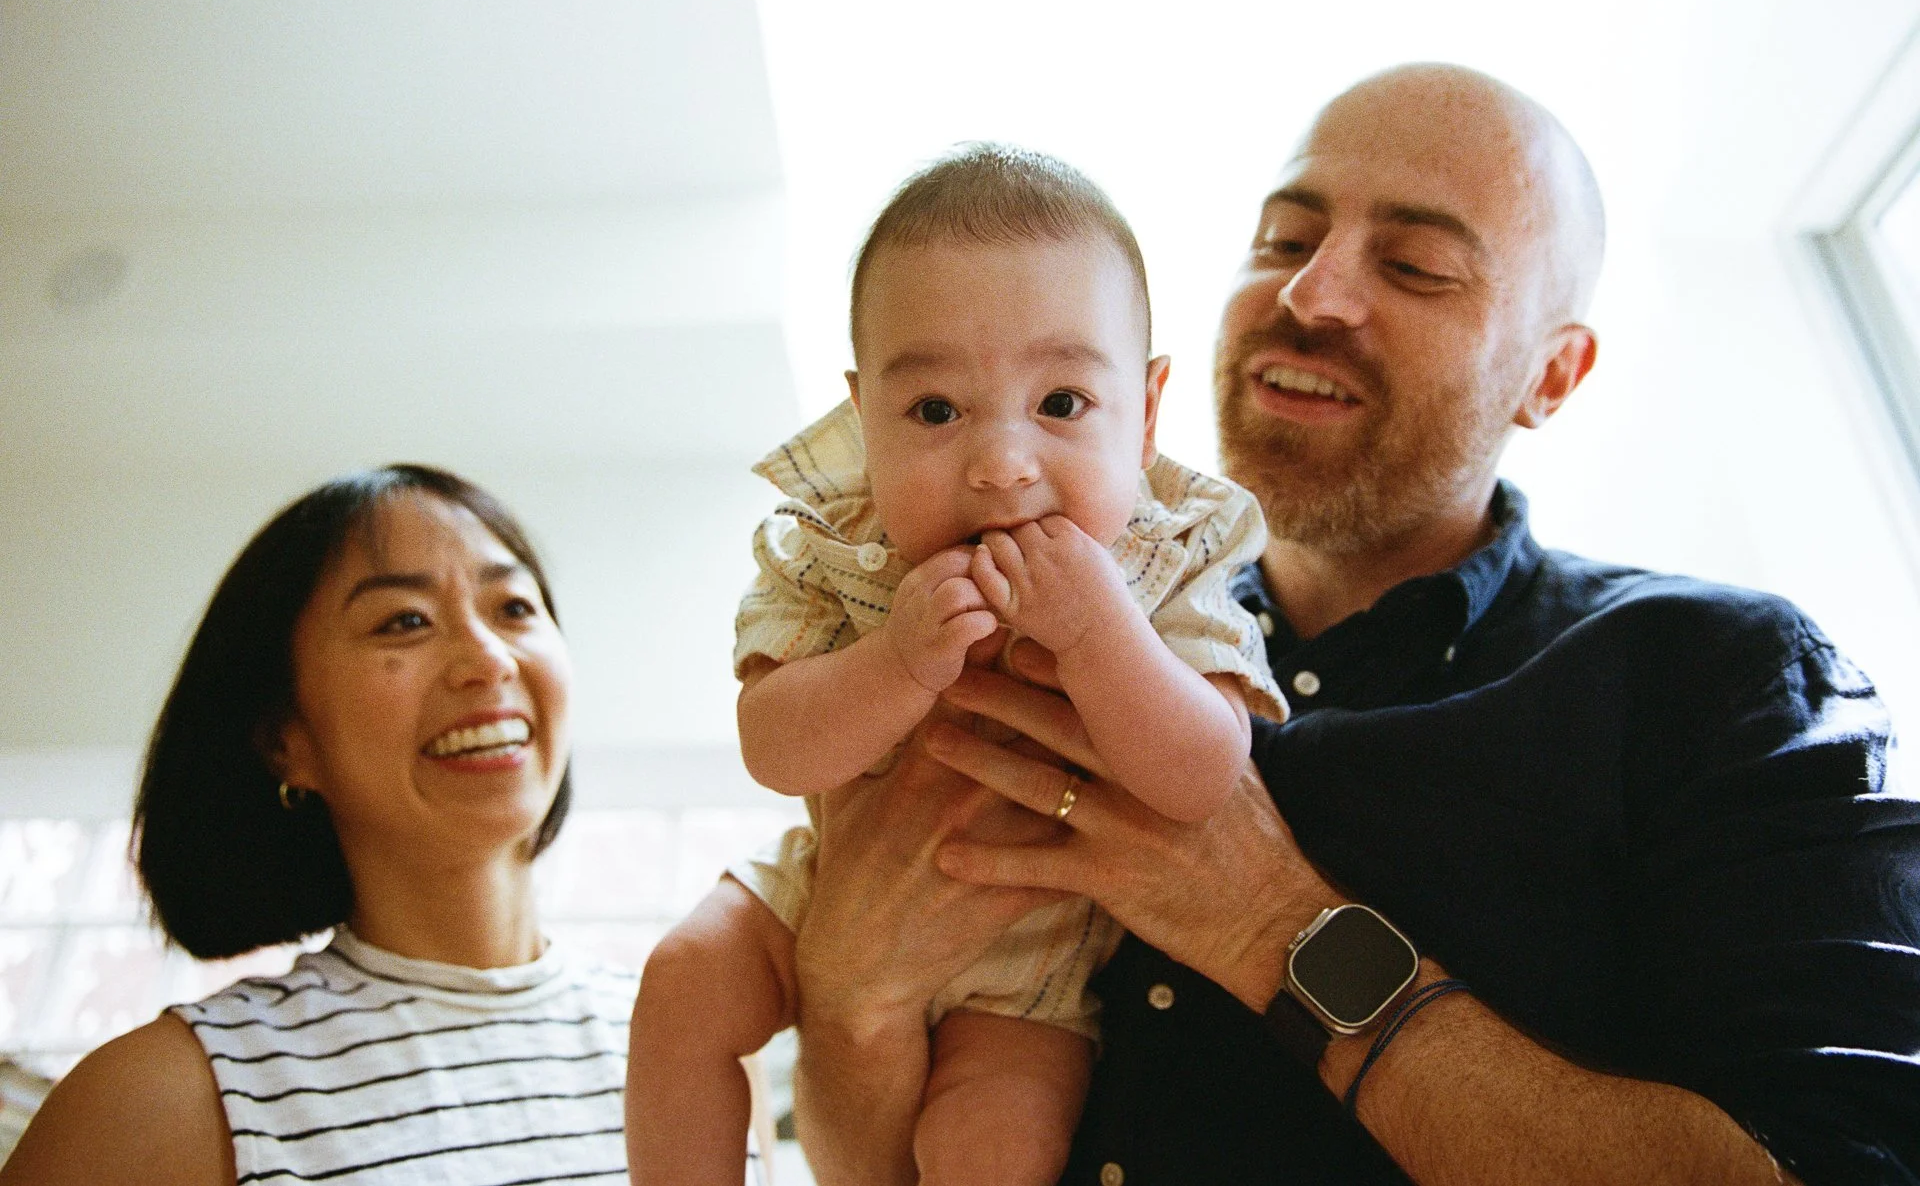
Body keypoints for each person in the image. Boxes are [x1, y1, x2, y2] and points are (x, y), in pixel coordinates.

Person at [785, 65, 1920, 1184]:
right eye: (1283, 239)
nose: (1311, 293)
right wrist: (843, 989)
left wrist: (1271, 922)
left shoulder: (1717, 674)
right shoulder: (986, 636)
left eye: (1417, 266)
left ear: (1554, 375)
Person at [627, 146, 1286, 1186]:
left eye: (1061, 402)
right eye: (936, 411)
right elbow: (774, 745)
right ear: (864, 419)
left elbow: (1205, 775)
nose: (1001, 462)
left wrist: (1101, 636)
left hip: (1034, 966)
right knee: (681, 981)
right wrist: (893, 662)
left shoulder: (1166, 563)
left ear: (1148, 413)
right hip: (823, 887)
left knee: (992, 1148)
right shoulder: (840, 551)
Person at [0, 465, 638, 1186]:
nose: (489, 659)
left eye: (514, 607)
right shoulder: (165, 1096)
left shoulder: (688, 1037)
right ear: (285, 740)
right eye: (404, 620)